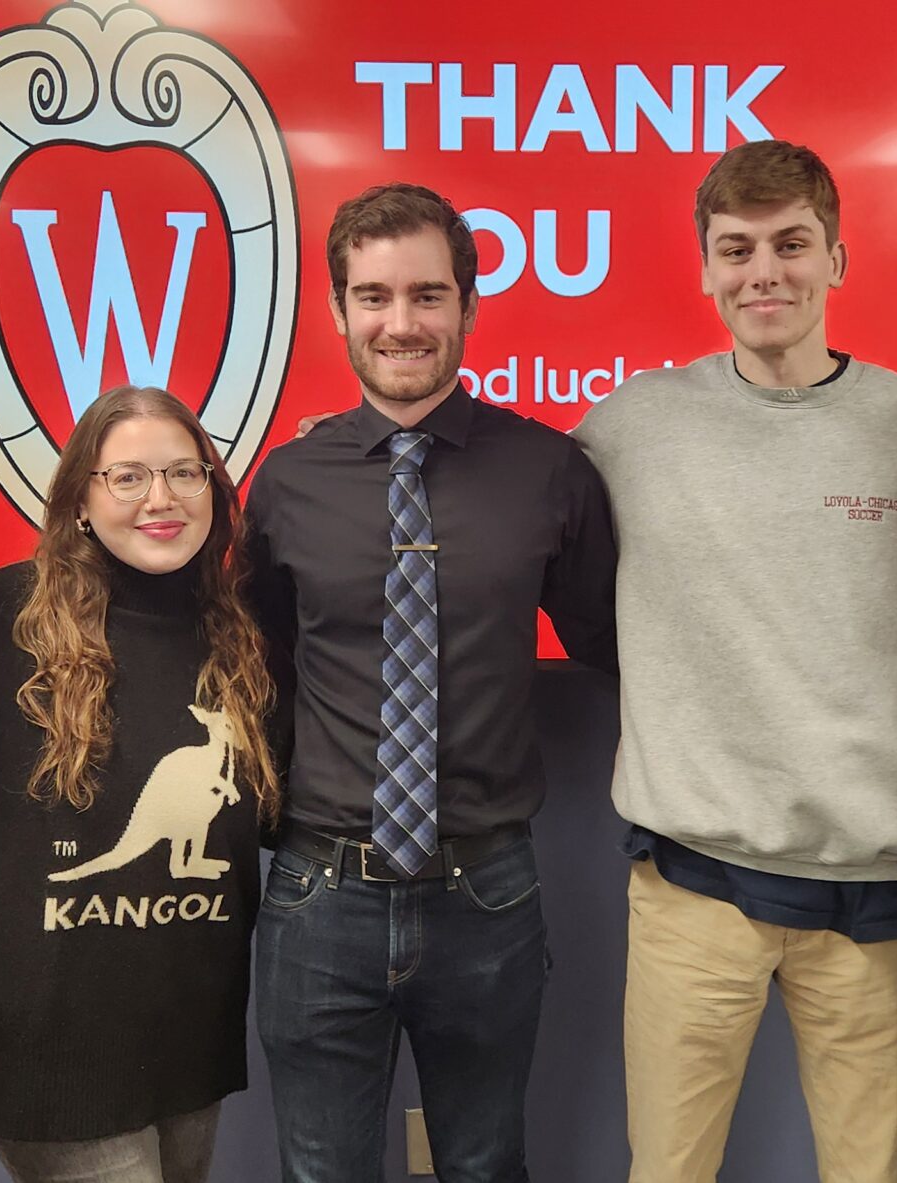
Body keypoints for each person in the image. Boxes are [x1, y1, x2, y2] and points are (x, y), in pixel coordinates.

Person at [570, 139, 897, 1183]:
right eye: (737, 248)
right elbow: (510, 517)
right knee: (665, 1169)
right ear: (706, 268)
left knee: (868, 1173)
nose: (764, 271)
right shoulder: (633, 425)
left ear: (837, 259)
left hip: (867, 883)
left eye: (791, 244)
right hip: (690, 886)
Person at [242, 181, 619, 1181]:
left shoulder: (550, 472)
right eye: (373, 297)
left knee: (487, 1162)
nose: (400, 323)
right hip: (320, 889)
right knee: (322, 1170)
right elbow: (258, 662)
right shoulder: (286, 482)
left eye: (426, 295)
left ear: (467, 305)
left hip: (486, 890)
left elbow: (613, 641)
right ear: (337, 311)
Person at [0, 386, 276, 1183]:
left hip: (188, 1033)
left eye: (185, 474)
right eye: (128, 477)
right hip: (49, 1047)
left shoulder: (235, 633)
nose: (161, 499)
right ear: (80, 497)